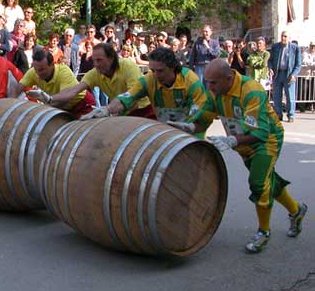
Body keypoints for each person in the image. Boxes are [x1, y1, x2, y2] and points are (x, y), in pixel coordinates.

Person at [202, 59, 307, 253]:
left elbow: (260, 133)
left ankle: (264, 232)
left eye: (213, 83)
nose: (209, 87)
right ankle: (296, 211)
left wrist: (232, 141)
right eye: (206, 82)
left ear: (228, 78)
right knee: (268, 180)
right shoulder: (215, 91)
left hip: (266, 140)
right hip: (244, 141)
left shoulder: (251, 91)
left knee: (259, 183)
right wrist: (189, 125)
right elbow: (204, 115)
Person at [103, 47, 211, 137]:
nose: (156, 75)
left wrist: (189, 127)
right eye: (153, 70)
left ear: (173, 67)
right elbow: (127, 97)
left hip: (191, 133)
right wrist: (107, 110)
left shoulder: (190, 81)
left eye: (160, 71)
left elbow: (201, 114)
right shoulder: (149, 79)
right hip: (165, 133)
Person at [45, 43, 154, 118]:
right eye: (94, 60)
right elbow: (73, 91)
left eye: (99, 60)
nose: (96, 64)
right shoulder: (95, 73)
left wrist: (108, 110)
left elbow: (133, 100)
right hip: (122, 113)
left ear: (111, 58)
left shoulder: (128, 66)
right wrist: (50, 98)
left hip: (144, 112)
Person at [12, 49, 95, 118]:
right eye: (36, 69)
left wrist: (47, 101)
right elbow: (17, 89)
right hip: (60, 108)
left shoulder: (64, 72)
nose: (38, 73)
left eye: (42, 70)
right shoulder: (33, 72)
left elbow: (64, 99)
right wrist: (10, 105)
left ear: (52, 64)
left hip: (82, 105)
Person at [268, 31, 302, 123]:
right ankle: (278, 114)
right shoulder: (275, 47)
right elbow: (270, 60)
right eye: (282, 36)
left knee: (290, 96)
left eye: (285, 36)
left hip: (289, 74)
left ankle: (290, 115)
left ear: (289, 38)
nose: (283, 38)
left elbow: (298, 64)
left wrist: (294, 74)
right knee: (276, 96)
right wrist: (270, 68)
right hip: (278, 74)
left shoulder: (295, 48)